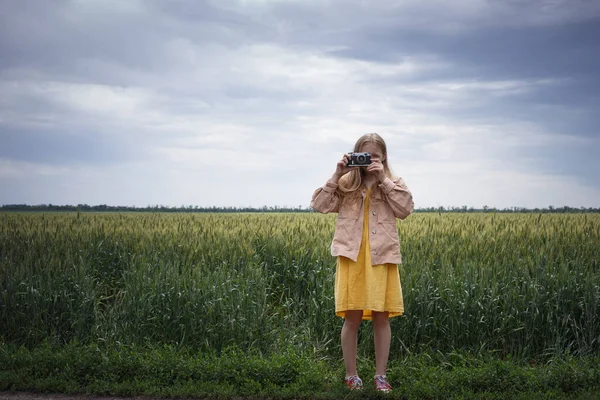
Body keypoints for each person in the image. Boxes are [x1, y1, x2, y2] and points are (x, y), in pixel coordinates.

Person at [310, 133, 414, 392]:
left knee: (382, 318)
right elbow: (319, 204)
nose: (369, 162)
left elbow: (406, 209)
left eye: (374, 157)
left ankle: (380, 376)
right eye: (364, 157)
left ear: (384, 157)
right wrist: (337, 174)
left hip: (382, 257)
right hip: (352, 257)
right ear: (354, 156)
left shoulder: (393, 183)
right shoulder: (345, 183)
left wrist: (383, 180)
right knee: (351, 317)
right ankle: (351, 375)